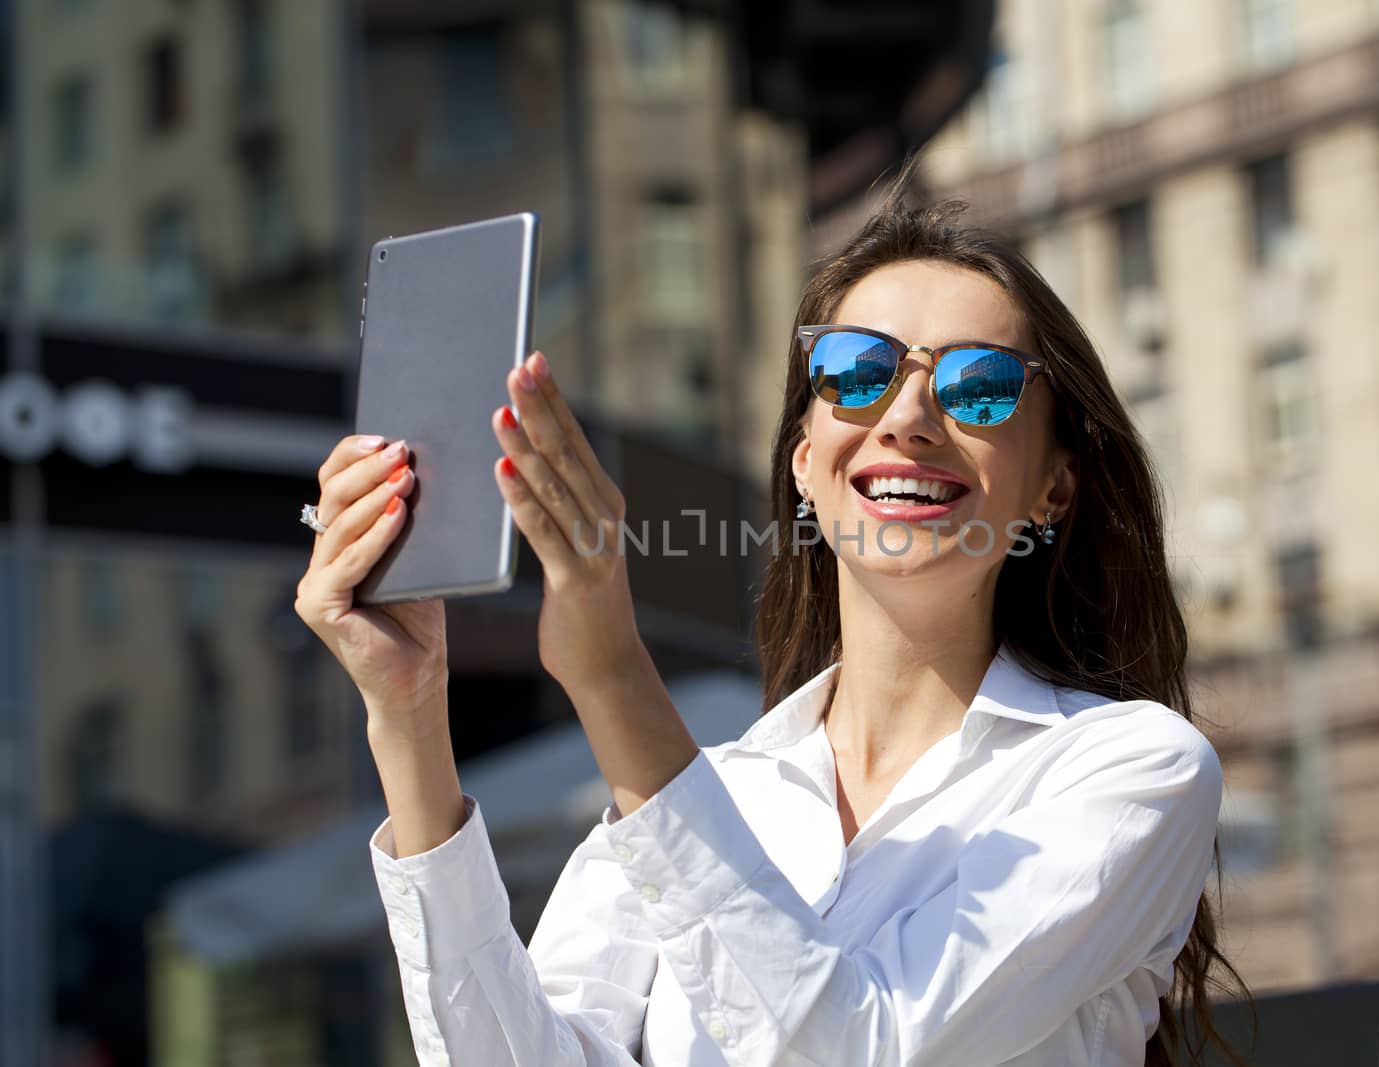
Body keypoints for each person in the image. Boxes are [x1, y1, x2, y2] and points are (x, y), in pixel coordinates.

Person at [294, 182, 1252, 1066]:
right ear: (804, 462)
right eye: (855, 370)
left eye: (980, 386)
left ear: (1052, 488)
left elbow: (863, 1042)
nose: (910, 413)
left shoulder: (1130, 770)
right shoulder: (706, 798)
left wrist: (613, 676)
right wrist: (409, 715)